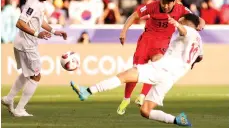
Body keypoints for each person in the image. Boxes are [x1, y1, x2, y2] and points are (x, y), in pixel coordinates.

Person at [70, 13, 203, 127]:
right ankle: (177, 120)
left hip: (162, 69)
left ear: (185, 20)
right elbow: (200, 57)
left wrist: (177, 24)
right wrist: (190, 63)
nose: (179, 20)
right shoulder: (199, 41)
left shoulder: (187, 29)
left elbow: (184, 31)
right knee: (145, 111)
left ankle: (87, 92)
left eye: (181, 20)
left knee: (124, 76)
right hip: (170, 78)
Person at [117, 0, 205, 115]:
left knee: (155, 67)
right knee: (135, 70)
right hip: (146, 41)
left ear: (174, 2)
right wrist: (123, 31)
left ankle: (142, 95)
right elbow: (134, 16)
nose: (165, 6)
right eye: (163, 3)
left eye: (168, 3)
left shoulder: (181, 10)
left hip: (163, 44)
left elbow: (197, 19)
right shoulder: (152, 6)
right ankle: (126, 99)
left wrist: (201, 25)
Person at [1, 0, 67, 117]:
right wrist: (37, 34)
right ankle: (19, 109)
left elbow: (40, 20)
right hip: (27, 45)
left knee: (28, 73)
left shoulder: (39, 3)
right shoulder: (33, 4)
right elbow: (20, 23)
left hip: (23, 43)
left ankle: (8, 99)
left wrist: (54, 31)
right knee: (36, 76)